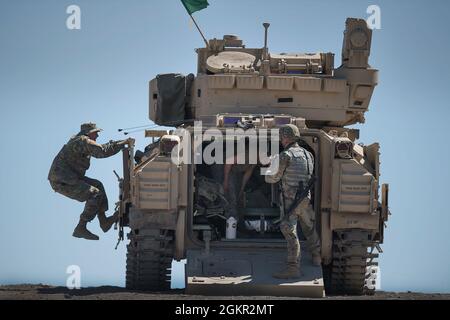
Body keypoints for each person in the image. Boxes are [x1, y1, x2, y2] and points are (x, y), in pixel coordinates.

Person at [48, 122, 132, 240]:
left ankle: (103, 221)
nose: (97, 136)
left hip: (69, 177)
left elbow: (102, 147)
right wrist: (122, 144)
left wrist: (119, 143)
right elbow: (102, 151)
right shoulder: (82, 141)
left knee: (98, 185)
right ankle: (81, 227)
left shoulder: (80, 141)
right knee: (95, 194)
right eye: (96, 133)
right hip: (62, 180)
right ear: (89, 133)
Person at [265, 124, 321, 279]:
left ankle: (293, 267)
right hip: (304, 199)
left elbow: (272, 178)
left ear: (285, 137)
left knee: (289, 231)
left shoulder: (286, 155)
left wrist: (271, 164)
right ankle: (317, 256)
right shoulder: (308, 154)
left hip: (291, 201)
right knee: (309, 228)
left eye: (282, 137)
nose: (281, 140)